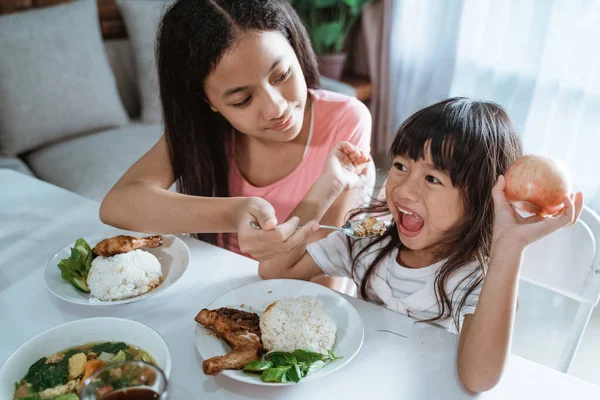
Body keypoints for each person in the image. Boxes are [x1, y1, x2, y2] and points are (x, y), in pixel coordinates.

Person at [258, 97, 584, 392]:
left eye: (432, 179)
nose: (403, 190)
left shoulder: (479, 280)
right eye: (400, 166)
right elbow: (275, 269)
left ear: (480, 200)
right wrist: (330, 185)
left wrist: (509, 249)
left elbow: (478, 378)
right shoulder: (368, 241)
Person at [99, 0, 374, 269]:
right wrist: (234, 213)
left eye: (282, 75)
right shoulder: (205, 130)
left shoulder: (345, 119)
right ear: (208, 103)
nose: (276, 107)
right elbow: (118, 205)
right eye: (242, 99)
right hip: (220, 283)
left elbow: (326, 273)